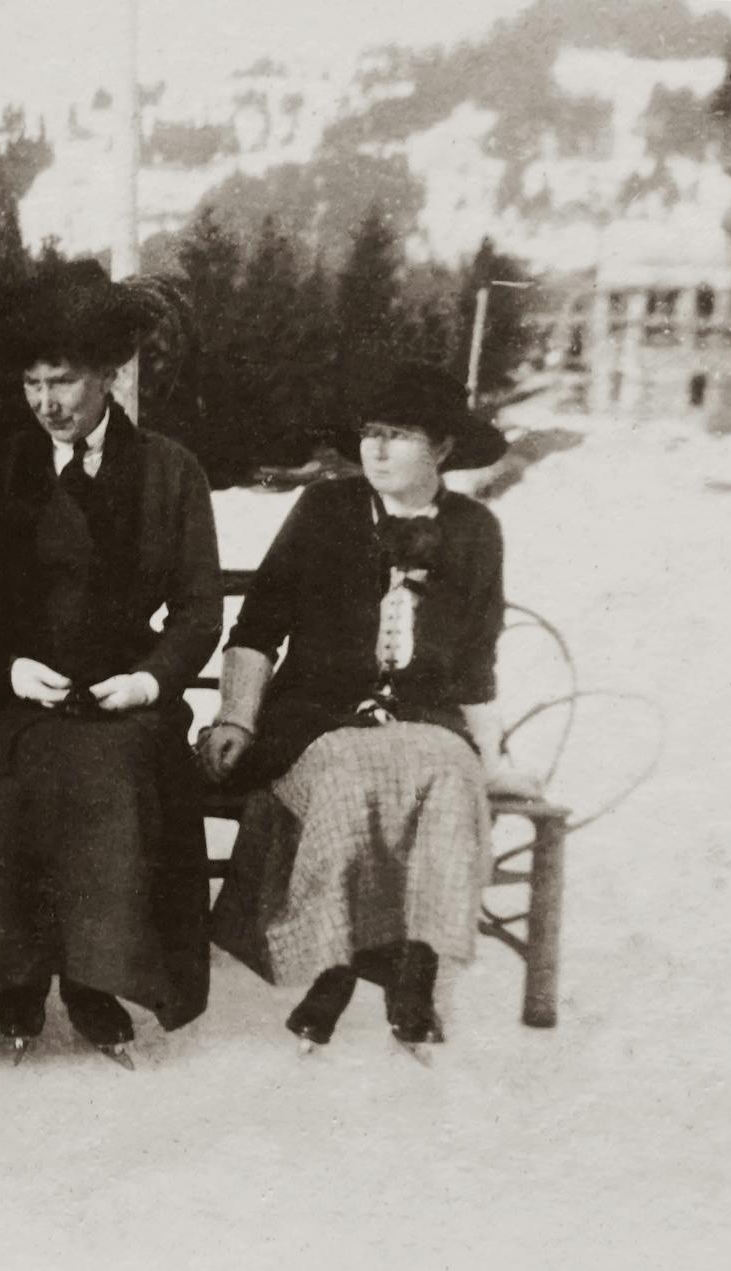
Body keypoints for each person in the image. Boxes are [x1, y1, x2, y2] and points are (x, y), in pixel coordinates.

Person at [199, 360, 537, 1052]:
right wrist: (236, 716)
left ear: (441, 447)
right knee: (356, 772)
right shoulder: (326, 510)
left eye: (400, 434)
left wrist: (492, 758)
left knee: (448, 773)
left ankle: (416, 969)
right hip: (316, 719)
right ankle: (337, 965)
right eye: (370, 433)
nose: (377, 449)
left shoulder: (475, 530)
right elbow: (259, 625)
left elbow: (476, 662)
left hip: (426, 723)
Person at [0, 262, 223, 1063]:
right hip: (25, 694)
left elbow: (197, 607)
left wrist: (148, 678)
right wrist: (7, 668)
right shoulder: (4, 469)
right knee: (16, 772)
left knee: (116, 770)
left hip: (127, 696)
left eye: (65, 381)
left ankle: (94, 981)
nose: (48, 402)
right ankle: (15, 987)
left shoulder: (171, 472)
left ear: (109, 376)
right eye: (33, 383)